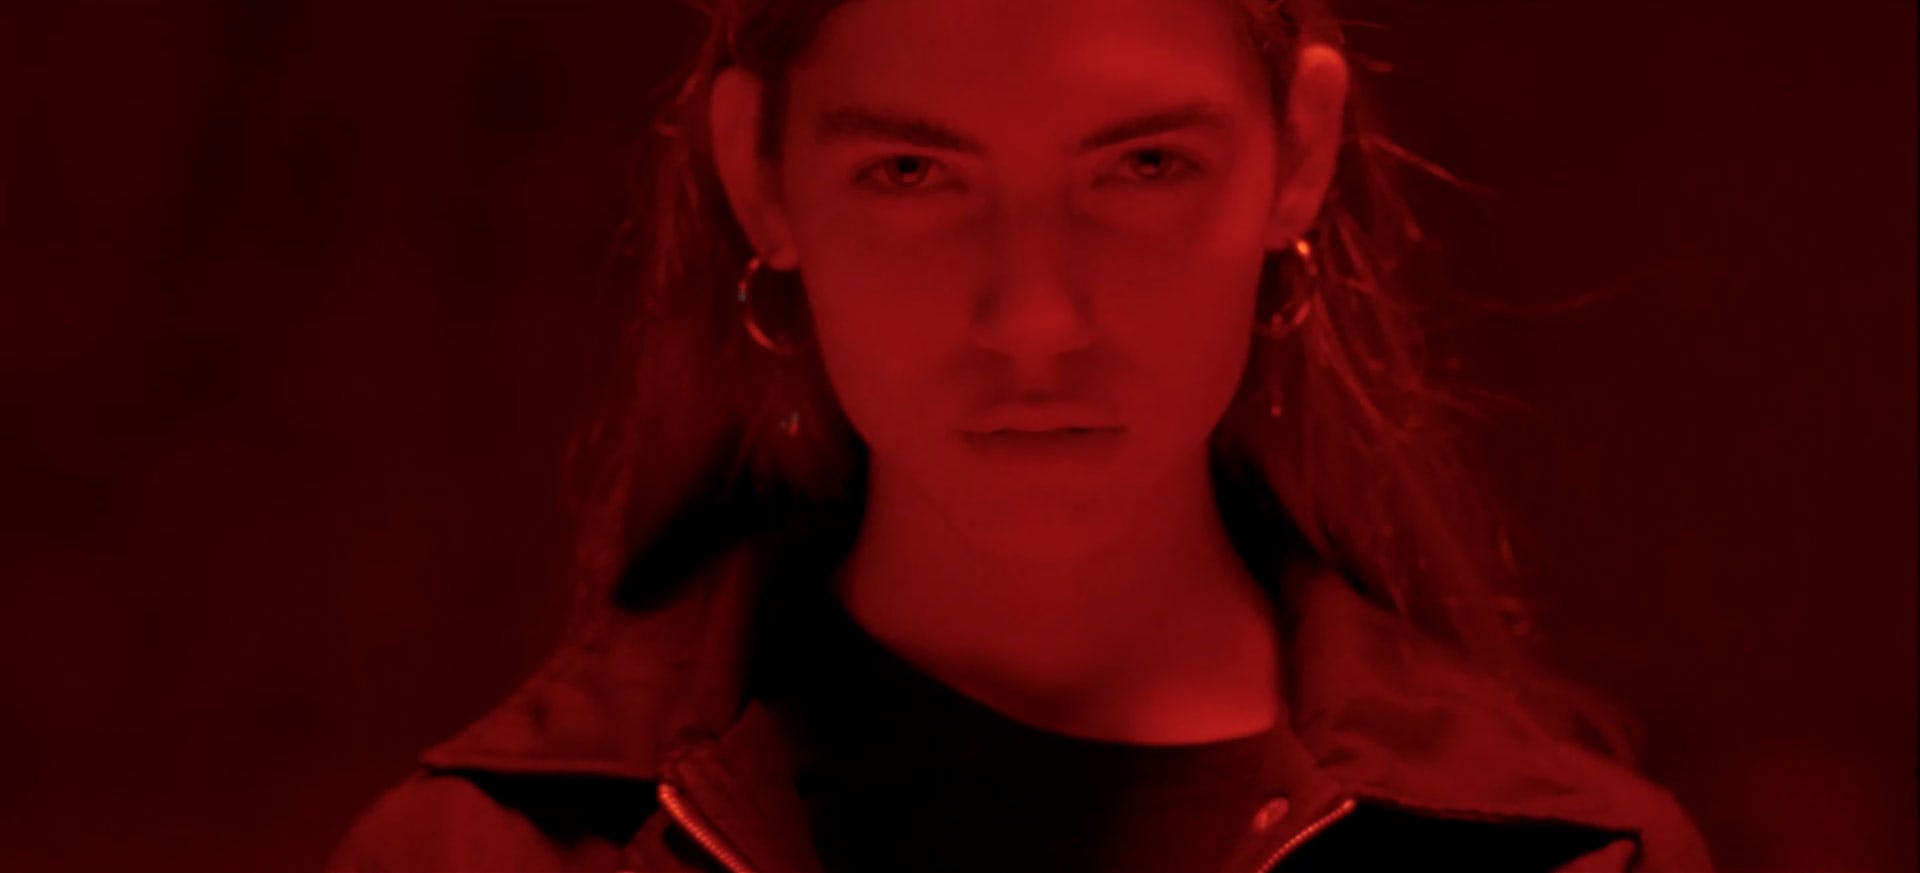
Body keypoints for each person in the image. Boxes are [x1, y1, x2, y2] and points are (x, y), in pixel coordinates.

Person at [327, 0, 1716, 870]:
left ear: (1298, 151)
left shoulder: (1572, 861)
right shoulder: (476, 857)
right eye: (913, 172)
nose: (1036, 318)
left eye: (1144, 165)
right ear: (761, 175)